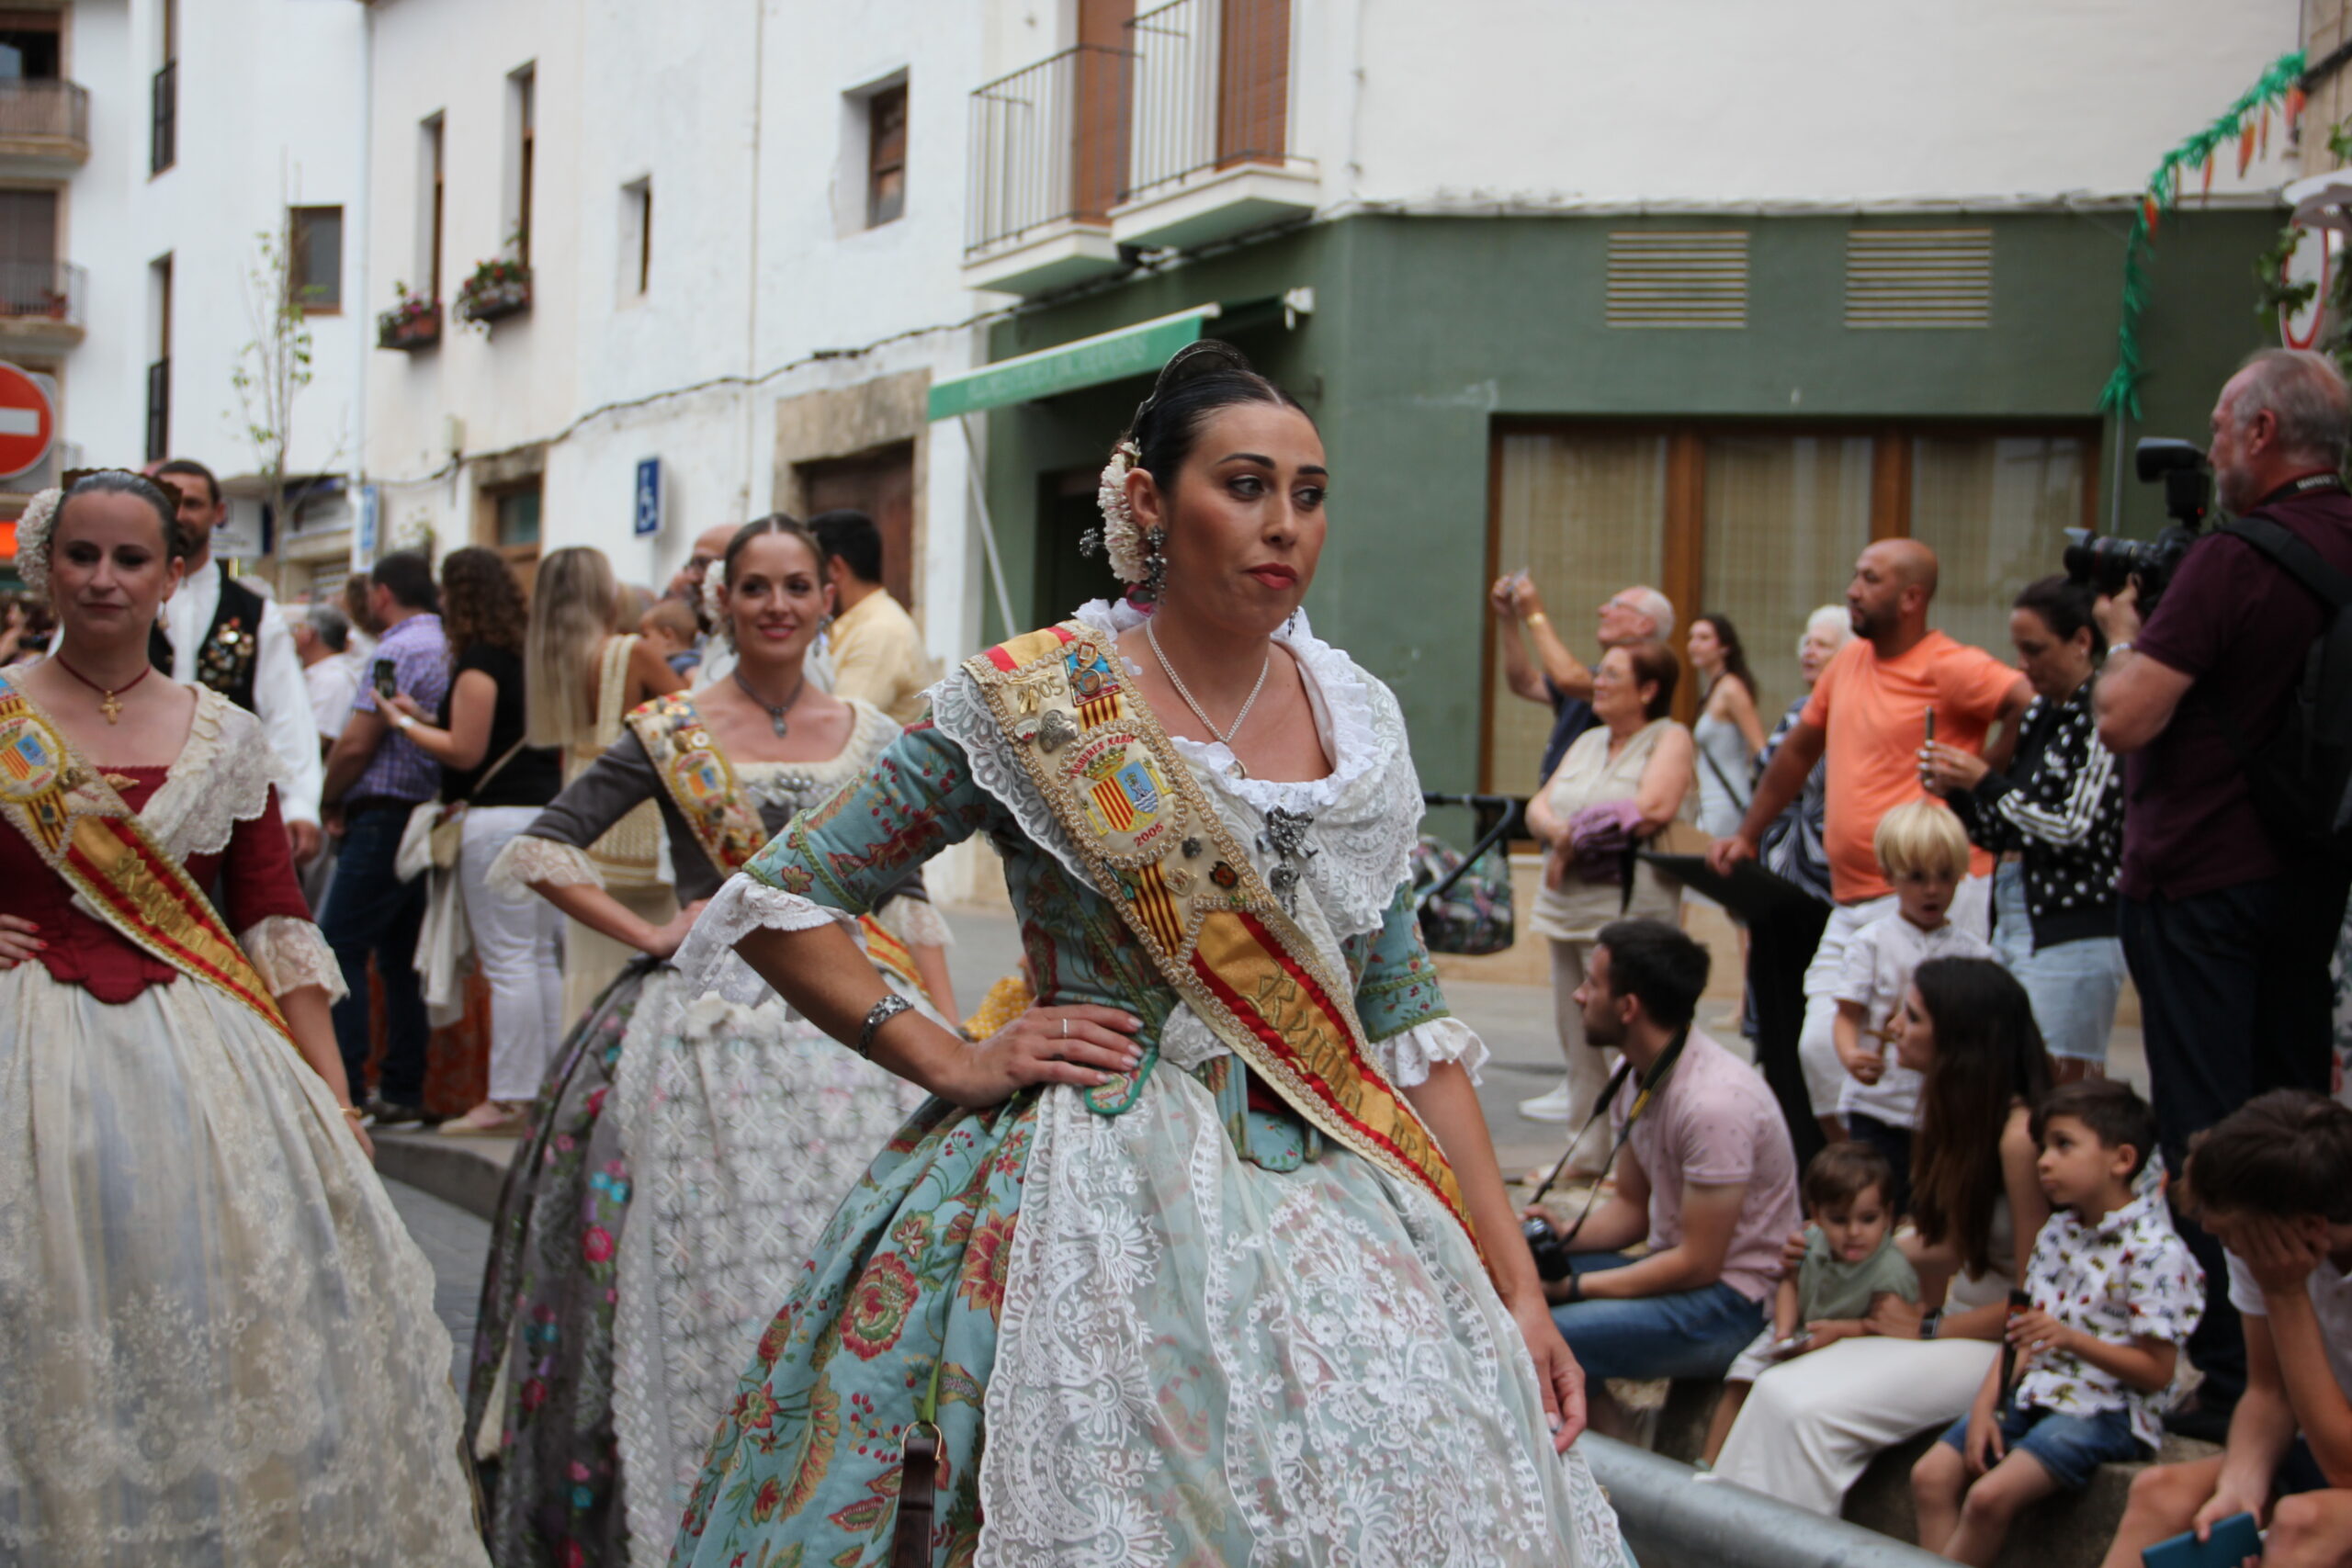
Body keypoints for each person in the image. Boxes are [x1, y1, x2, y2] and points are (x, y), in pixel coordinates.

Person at [665, 343, 1631, 1567]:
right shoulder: (1033, 700)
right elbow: (786, 898)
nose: (1284, 524)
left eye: (1310, 493)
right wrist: (952, 1056)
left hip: (1340, 1185)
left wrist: (1520, 1288)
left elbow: (1405, 1015)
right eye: (1244, 485)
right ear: (1148, 503)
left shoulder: (1360, 718)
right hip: (1086, 1179)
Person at [0, 474, 485, 1564]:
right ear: (48, 565)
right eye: (82, 555)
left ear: (176, 573)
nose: (104, 578)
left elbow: (270, 913)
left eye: (131, 559)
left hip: (199, 1067)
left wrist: (332, 1093)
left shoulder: (224, 735)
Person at [467, 516, 939, 1567]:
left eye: (796, 586)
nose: (776, 605)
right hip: (705, 1031)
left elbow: (903, 896)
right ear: (722, 601)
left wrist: (954, 1042)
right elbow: (546, 846)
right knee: (709, 1272)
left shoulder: (871, 734)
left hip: (862, 1027)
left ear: (829, 598)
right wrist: (648, 931)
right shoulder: (670, 728)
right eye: (755, 587)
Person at [2096, 348, 2352, 1426]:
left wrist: (2121, 635)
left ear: (2258, 434)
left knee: (2209, 1123)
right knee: (2297, 1117)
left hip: (2200, 875)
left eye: (2214, 427)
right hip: (2311, 876)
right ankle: (2313, 1351)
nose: (2207, 449)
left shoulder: (2231, 559)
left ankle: (2229, 1361)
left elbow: (2125, 716)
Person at [1714, 957, 2055, 1516]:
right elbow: (1952, 1244)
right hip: (1953, 1332)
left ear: (1961, 1040)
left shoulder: (2021, 1139)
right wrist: (1835, 1247)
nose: (1892, 1025)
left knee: (1806, 1412)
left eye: (1912, 1016)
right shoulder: (1962, 1115)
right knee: (1775, 1389)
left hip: (1998, 1350)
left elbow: (2036, 1298)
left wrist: (1928, 1326)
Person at [1710, 539, 2030, 1131]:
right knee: (1820, 1048)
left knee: (1918, 1067)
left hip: (1931, 892)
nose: (1853, 590)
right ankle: (1862, 1186)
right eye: (1855, 576)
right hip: (1853, 895)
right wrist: (1749, 832)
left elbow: (2027, 704)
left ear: (1912, 597)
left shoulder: (1950, 664)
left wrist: (1984, 772)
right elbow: (1799, 750)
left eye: (1870, 579)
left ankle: (1915, 1197)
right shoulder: (1849, 663)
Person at [1913, 1080, 2201, 1566]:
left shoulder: (2155, 1252)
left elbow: (2157, 1371)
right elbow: (2020, 1334)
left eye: (2063, 1145)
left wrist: (2070, 1339)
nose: (2044, 1161)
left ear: (2122, 1159)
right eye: (2043, 1146)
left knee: (1988, 1498)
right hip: (2033, 1391)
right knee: (1930, 1476)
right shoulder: (2058, 1232)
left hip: (2106, 1411)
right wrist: (1985, 1406)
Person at [1544, 919, 1804, 1438]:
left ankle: (1617, 1469)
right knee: (1518, 1283)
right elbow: (1632, 1213)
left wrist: (1572, 1286)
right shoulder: (1639, 1072)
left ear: (1628, 1007)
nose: (1578, 995)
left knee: (1543, 1332)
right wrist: (1558, 1236)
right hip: (1683, 1275)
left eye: (1592, 984)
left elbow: (1699, 1263)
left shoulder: (1713, 1103)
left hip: (1735, 1303)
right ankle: (1616, 1442)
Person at [2099, 1091, 2352, 1568]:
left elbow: (2344, 1467)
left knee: (2303, 1523)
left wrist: (2287, 1297)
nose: (2223, 1244)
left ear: (2312, 1228)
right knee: (2161, 1493)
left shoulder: (2279, 1266)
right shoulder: (2270, 1240)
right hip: (2324, 1450)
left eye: (2234, 1234)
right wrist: (2241, 1485)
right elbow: (2269, 1392)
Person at [380, 546, 564, 1136]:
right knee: (538, 958)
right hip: (545, 815)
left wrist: (403, 724)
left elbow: (466, 751)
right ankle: (547, 1090)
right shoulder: (524, 656)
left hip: (496, 822)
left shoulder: (480, 661)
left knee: (510, 962)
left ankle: (508, 1098)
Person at [1924, 576, 2126, 1081]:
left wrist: (1985, 782)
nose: (2023, 665)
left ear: (2082, 641)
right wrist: (1956, 791)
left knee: (2058, 1081)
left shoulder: (2106, 706)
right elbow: (2006, 830)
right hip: (2017, 912)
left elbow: (2073, 827)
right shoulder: (2040, 711)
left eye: (2034, 649)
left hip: (2074, 923)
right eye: (2018, 650)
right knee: (2013, 1075)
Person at [1519, 641, 1696, 1141]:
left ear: (1648, 689)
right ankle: (1586, 1151)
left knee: (1632, 1034)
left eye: (1612, 676)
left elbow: (1653, 807)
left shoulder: (1670, 737)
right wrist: (1557, 832)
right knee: (1576, 1034)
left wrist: (1571, 834)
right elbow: (1538, 804)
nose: (1598, 683)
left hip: (1627, 914)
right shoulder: (1588, 740)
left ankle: (1639, 1153)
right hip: (1565, 908)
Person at [525, 545, 688, 1026]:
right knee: (645, 974)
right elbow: (694, 722)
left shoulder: (547, 664)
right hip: (634, 826)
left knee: (588, 969)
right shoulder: (628, 653)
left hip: (580, 825)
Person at [321, 549, 447, 1126]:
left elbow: (355, 743)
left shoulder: (395, 648)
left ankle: (345, 1082)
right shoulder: (447, 641)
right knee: (401, 959)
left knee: (338, 946)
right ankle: (401, 1085)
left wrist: (329, 796)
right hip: (427, 814)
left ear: (382, 594)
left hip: (381, 814)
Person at [1700, 1141, 1920, 1468]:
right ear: (1816, 1215)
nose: (1854, 1232)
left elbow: (1886, 1326)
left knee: (1786, 1399)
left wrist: (1842, 1330)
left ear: (1889, 1216)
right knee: (1742, 1376)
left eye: (1868, 1219)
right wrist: (1784, 1330)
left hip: (1851, 1347)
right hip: (1800, 1328)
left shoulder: (1889, 1270)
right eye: (1839, 1220)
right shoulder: (1810, 1243)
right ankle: (1709, 1463)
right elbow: (1791, 1281)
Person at [150, 457, 324, 864]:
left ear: (219, 513)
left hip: (226, 814)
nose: (178, 515)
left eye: (191, 503)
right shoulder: (116, 604)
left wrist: (299, 802)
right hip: (132, 806)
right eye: (167, 502)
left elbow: (286, 713)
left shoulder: (256, 613)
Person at [1832, 800, 1996, 1196]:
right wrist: (1851, 1055)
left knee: (1937, 1203)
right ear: (1889, 875)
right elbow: (1846, 1017)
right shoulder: (1870, 943)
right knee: (1878, 1198)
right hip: (1878, 1106)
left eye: (1945, 876)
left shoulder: (1976, 954)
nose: (1932, 890)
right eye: (1917, 877)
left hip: (1947, 1112)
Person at [1746, 605, 1854, 1164]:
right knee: (1779, 1024)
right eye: (1806, 642)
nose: (1809, 652)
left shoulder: (1853, 710)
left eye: (1824, 644)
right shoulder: (1799, 710)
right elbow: (1766, 772)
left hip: (1830, 885)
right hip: (1779, 881)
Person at [1492, 571, 1676, 786]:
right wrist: (1508, 619)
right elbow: (1525, 683)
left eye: (1616, 604)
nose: (1602, 610)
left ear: (1643, 625)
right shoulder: (1591, 675)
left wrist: (1534, 614)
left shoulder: (1642, 676)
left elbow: (1568, 678)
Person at [808, 508, 936, 725]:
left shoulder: (880, 630)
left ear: (835, 568)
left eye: (804, 576)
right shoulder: (853, 625)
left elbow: (838, 729)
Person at [1689, 613, 1765, 839]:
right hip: (1708, 796)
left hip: (1726, 798)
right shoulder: (1712, 688)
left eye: (1704, 638)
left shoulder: (1731, 689)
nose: (1694, 645)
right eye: (1691, 637)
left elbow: (1759, 748)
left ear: (1724, 647)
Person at [295, 598, 361, 748]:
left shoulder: (333, 679)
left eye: (298, 628)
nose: (294, 634)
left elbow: (317, 740)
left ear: (308, 634)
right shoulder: (319, 674)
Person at [639, 593, 702, 677]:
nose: (642, 642)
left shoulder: (684, 664)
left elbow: (694, 677)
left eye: (646, 636)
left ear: (667, 636)